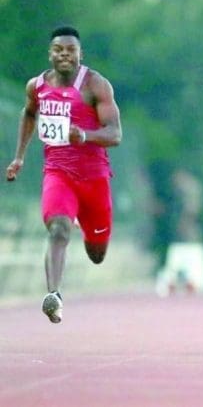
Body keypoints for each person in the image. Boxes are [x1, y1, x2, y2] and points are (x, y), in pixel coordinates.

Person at [5, 26, 122, 323]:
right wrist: (19, 156)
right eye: (58, 50)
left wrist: (84, 135)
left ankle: (87, 226)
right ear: (50, 54)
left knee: (97, 254)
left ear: (81, 54)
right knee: (58, 230)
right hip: (58, 174)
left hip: (94, 179)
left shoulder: (95, 86)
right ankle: (54, 295)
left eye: (71, 50)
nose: (64, 55)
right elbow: (29, 113)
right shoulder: (37, 86)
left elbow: (115, 133)